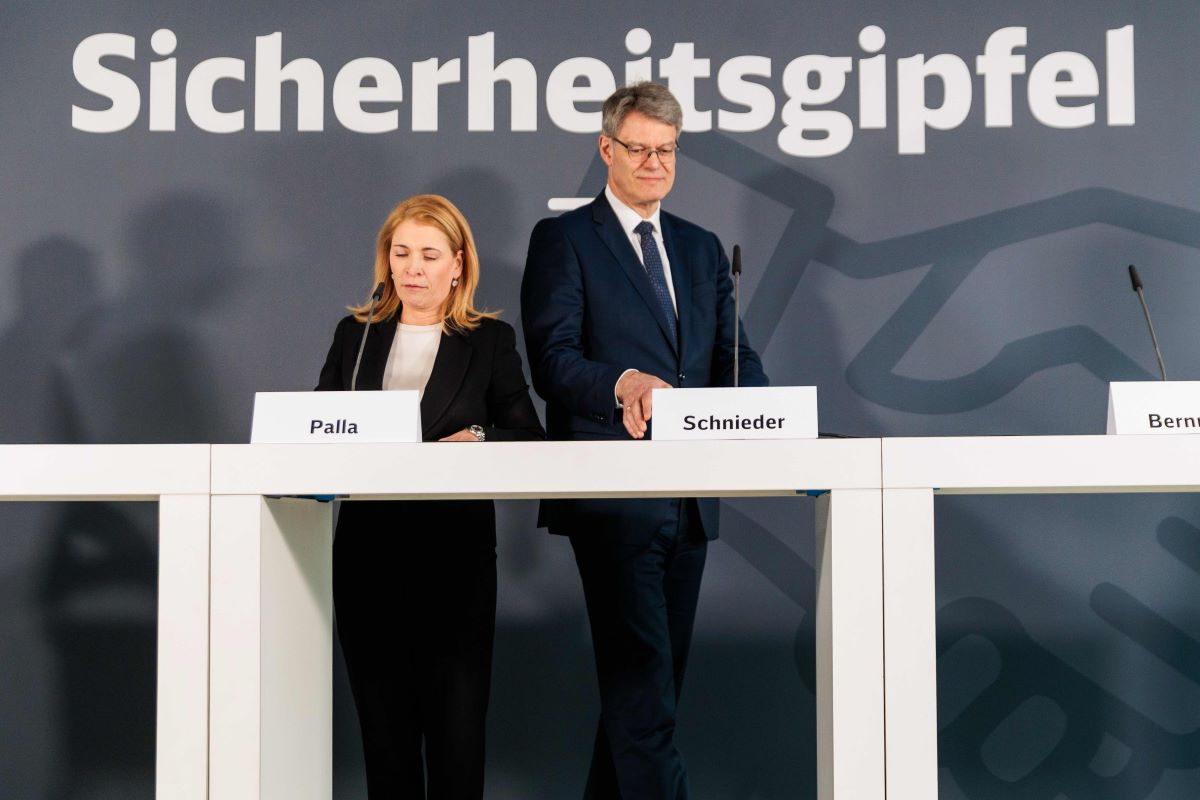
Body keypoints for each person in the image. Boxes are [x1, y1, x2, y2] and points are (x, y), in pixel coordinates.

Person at [520, 83, 768, 799]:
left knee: (647, 702)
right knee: (645, 707)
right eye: (639, 149)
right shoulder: (564, 240)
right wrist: (625, 380)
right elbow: (554, 361)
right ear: (607, 150)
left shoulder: (699, 248)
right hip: (615, 499)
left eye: (667, 151)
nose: (655, 163)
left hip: (688, 501)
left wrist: (770, 415)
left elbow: (734, 360)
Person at [316, 194, 543, 799]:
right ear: (385, 262)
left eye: (428, 254)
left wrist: (478, 435)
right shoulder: (355, 336)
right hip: (368, 556)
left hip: (455, 559)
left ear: (459, 264)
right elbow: (315, 428)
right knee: (385, 743)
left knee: (456, 740)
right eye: (401, 253)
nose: (412, 268)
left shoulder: (489, 341)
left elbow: (528, 435)